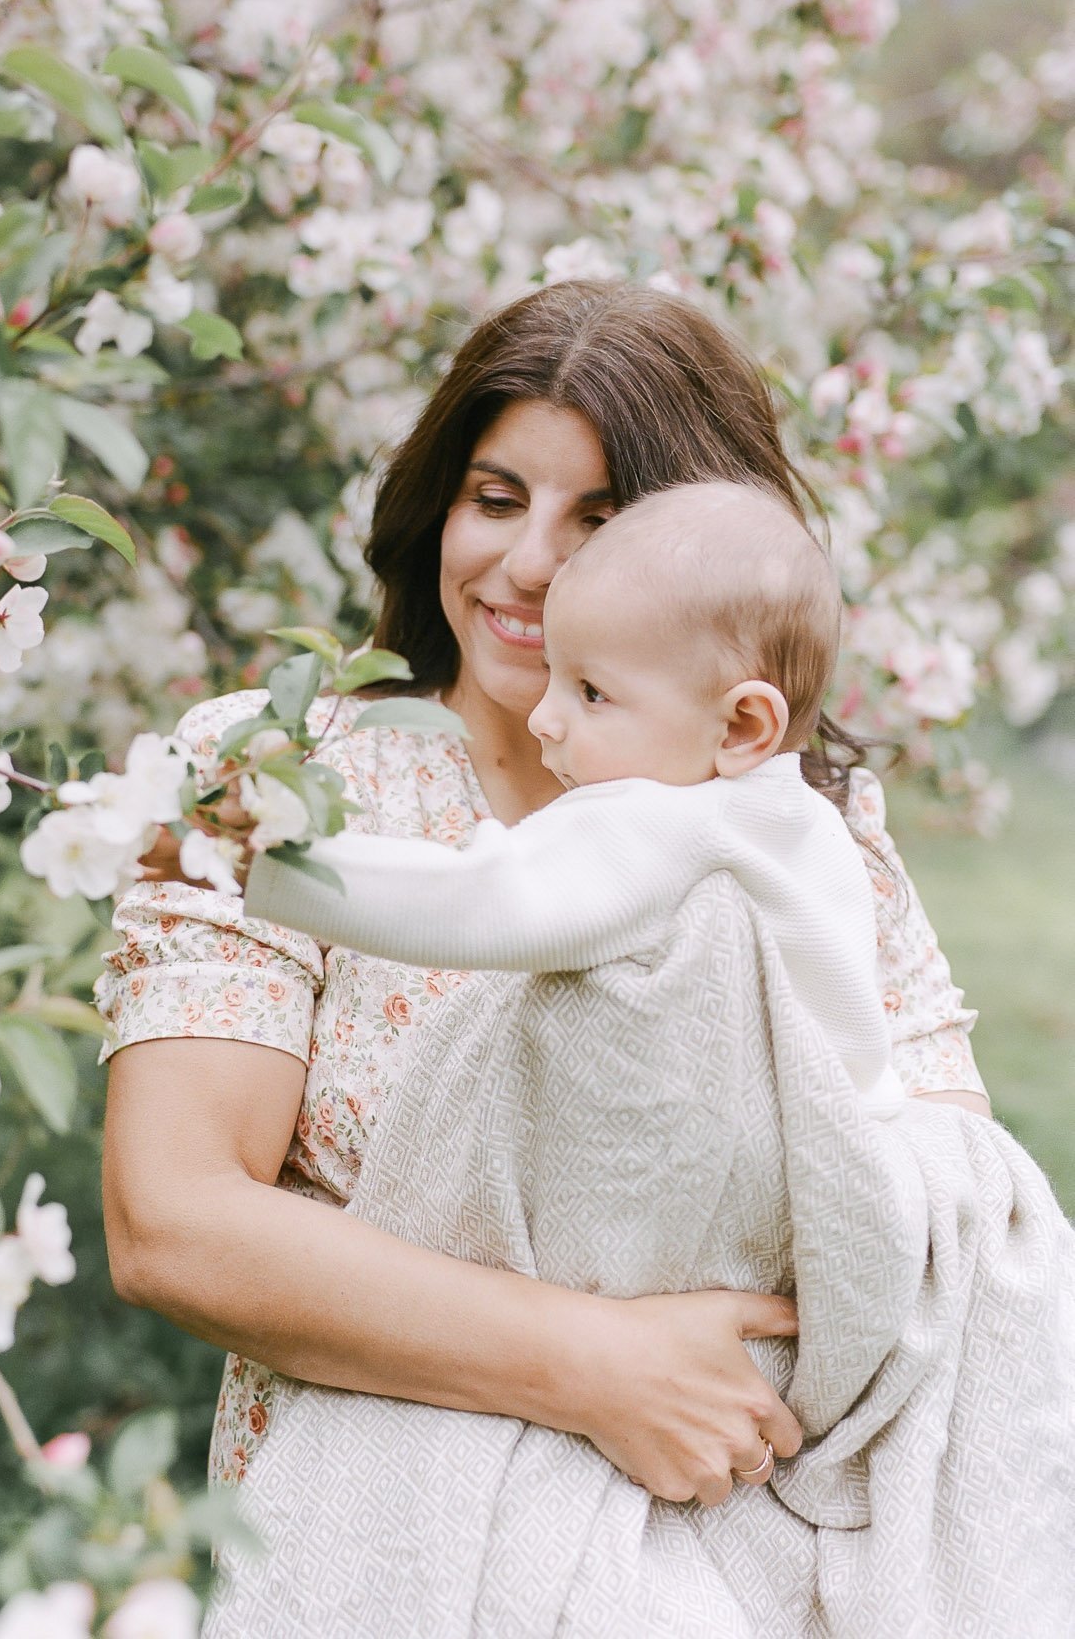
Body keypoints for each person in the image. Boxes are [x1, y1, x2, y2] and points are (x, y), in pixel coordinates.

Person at [98, 281, 989, 1514]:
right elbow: (175, 1221)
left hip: (741, 1506)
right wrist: (595, 1368)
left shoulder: (804, 830)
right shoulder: (280, 780)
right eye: (496, 499)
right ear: (438, 507)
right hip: (387, 1508)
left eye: (599, 518)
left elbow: (936, 1182)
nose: (526, 565)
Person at [242, 479, 908, 1125]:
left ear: (741, 727)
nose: (544, 719)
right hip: (846, 1149)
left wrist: (281, 863)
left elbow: (486, 899)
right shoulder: (813, 826)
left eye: (591, 692)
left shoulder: (660, 822)